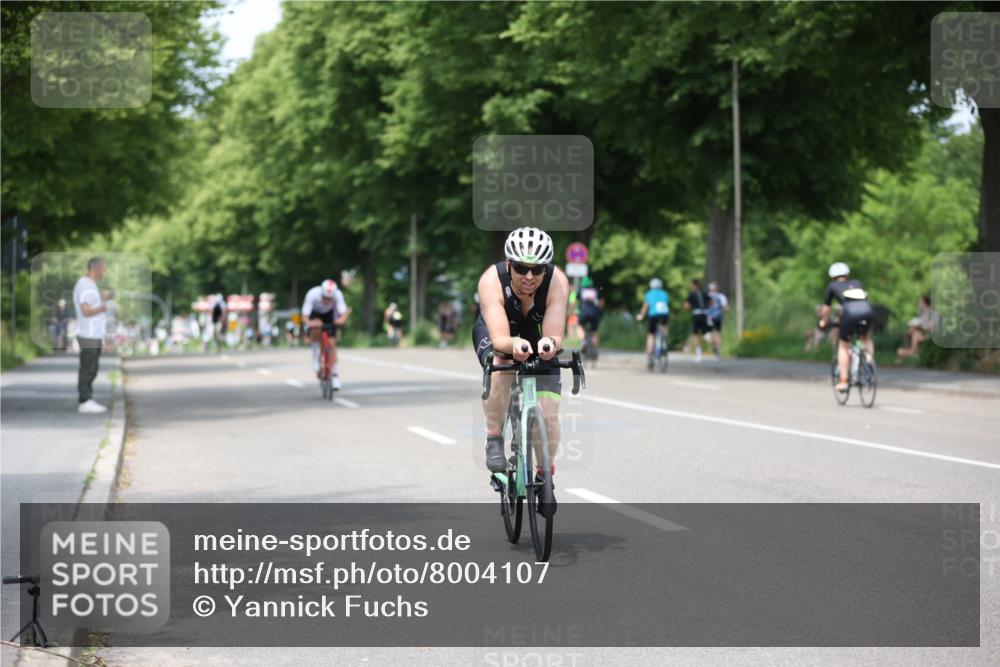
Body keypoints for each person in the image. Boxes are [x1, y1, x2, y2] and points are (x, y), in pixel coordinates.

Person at [472, 227, 568, 516]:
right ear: (509, 263)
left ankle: (544, 474)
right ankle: (493, 437)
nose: (530, 277)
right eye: (522, 268)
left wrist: (550, 344)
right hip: (498, 331)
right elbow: (501, 338)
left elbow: (554, 334)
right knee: (501, 364)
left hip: (536, 335)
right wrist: (513, 345)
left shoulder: (557, 282)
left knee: (549, 413)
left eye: (537, 269)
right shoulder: (491, 280)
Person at [818, 262, 875, 393]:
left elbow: (826, 310)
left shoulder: (832, 286)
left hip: (850, 314)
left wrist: (823, 322)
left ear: (832, 276)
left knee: (844, 345)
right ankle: (868, 364)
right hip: (867, 311)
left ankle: (843, 381)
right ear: (847, 275)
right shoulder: (857, 283)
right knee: (865, 339)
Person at [73, 257, 109, 414]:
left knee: (92, 368)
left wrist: (103, 299)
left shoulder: (90, 285)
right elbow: (86, 310)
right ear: (95, 268)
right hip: (88, 333)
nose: (104, 270)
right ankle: (84, 400)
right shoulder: (84, 284)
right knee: (88, 368)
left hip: (94, 334)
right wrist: (102, 308)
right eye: (103, 267)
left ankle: (87, 399)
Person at [302, 279, 350, 389]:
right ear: (321, 293)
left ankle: (335, 375)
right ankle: (315, 355)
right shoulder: (312, 294)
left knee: (332, 344)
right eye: (325, 298)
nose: (326, 301)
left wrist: (341, 320)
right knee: (316, 328)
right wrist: (310, 323)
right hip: (314, 314)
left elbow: (344, 313)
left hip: (329, 315)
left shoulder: (337, 294)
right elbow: (304, 316)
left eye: (329, 299)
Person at [636, 278, 670, 369]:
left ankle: (650, 355)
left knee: (651, 335)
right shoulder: (665, 294)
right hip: (664, 315)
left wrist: (641, 316)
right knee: (664, 326)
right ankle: (665, 340)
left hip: (653, 315)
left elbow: (645, 307)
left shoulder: (649, 294)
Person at [897, 295, 939, 359]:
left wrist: (918, 326)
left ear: (925, 303)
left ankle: (913, 352)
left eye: (920, 302)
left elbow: (930, 326)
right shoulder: (921, 314)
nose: (918, 304)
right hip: (923, 333)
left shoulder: (932, 313)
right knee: (910, 331)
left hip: (930, 335)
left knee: (915, 334)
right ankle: (910, 351)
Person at [683, 278, 711, 363]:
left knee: (695, 334)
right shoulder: (704, 293)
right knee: (705, 333)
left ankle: (698, 353)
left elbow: (686, 306)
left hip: (696, 314)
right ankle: (709, 339)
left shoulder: (692, 294)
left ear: (695, 285)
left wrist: (688, 307)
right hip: (705, 314)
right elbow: (711, 302)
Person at [576, 276, 604, 353]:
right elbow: (601, 303)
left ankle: (583, 342)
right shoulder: (596, 290)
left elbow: (575, 302)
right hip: (594, 313)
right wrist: (599, 312)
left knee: (579, 326)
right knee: (594, 331)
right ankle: (595, 349)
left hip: (583, 312)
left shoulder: (580, 290)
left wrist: (572, 311)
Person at [705, 281, 729, 359]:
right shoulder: (721, 296)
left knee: (707, 334)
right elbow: (726, 308)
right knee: (718, 333)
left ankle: (714, 346)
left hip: (710, 317)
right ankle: (717, 349)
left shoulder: (707, 296)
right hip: (718, 317)